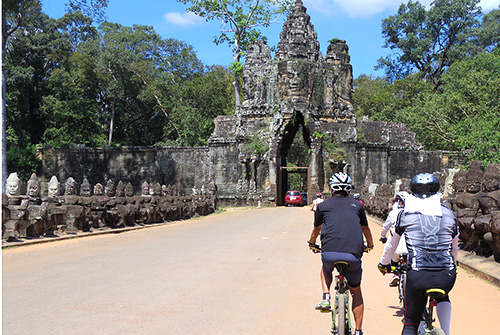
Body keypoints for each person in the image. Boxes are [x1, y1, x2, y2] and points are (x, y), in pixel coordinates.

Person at [378, 173, 459, 335]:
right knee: (443, 296)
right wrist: (453, 266)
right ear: (437, 191)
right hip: (447, 275)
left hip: (418, 275)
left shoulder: (405, 214)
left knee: (410, 323)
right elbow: (454, 248)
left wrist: (384, 263)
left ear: (412, 192)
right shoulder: (450, 215)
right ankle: (446, 332)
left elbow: (392, 243)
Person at [308, 172, 374, 335]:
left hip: (330, 252)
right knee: (356, 290)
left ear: (331, 189)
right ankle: (358, 331)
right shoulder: (358, 205)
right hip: (353, 253)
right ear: (349, 189)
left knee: (326, 268)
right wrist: (370, 245)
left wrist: (312, 243)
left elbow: (316, 229)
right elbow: (365, 228)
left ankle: (325, 297)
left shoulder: (322, 206)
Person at [379, 191, 409, 287]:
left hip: (397, 249)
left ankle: (395, 275)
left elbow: (385, 228)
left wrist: (383, 237)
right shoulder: (414, 214)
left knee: (394, 257)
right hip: (411, 249)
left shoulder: (394, 213)